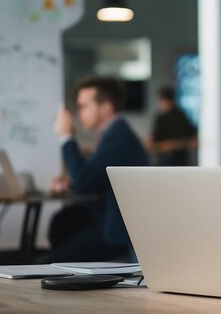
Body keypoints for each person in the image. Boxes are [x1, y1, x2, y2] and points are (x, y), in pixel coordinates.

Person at [47, 76, 148, 262]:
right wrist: (71, 182)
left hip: (117, 231)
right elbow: (94, 178)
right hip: (107, 222)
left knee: (53, 261)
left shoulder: (119, 138)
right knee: (62, 227)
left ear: (106, 107)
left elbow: (85, 181)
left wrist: (66, 137)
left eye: (84, 106)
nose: (79, 113)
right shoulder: (115, 134)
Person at [146, 86, 197, 166]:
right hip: (165, 161)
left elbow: (194, 141)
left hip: (178, 162)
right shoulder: (160, 117)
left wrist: (174, 145)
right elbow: (151, 143)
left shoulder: (180, 117)